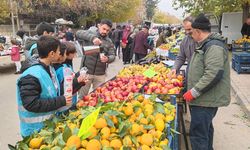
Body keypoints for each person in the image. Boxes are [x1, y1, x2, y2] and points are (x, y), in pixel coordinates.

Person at [183, 14, 230, 150]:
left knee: (199, 136)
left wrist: (194, 91)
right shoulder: (206, 45)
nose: (191, 35)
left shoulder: (213, 46)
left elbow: (213, 73)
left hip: (205, 100)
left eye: (192, 32)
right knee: (206, 131)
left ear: (197, 31)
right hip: (204, 99)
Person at [16, 36, 72, 137]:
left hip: (47, 127)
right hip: (34, 132)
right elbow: (31, 104)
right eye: (59, 51)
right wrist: (61, 101)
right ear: (51, 54)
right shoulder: (31, 76)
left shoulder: (49, 68)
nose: (60, 54)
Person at [76, 19, 115, 99]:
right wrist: (93, 38)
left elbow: (112, 55)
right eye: (104, 29)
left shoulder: (109, 41)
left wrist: (107, 59)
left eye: (107, 30)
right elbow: (78, 33)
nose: (105, 32)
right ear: (99, 26)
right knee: (82, 97)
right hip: (86, 72)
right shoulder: (91, 33)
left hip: (100, 74)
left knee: (98, 97)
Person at [54, 42, 88, 110]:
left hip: (71, 99)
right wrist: (79, 81)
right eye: (73, 53)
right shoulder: (62, 69)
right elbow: (65, 87)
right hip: (66, 104)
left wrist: (80, 79)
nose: (75, 54)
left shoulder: (68, 64)